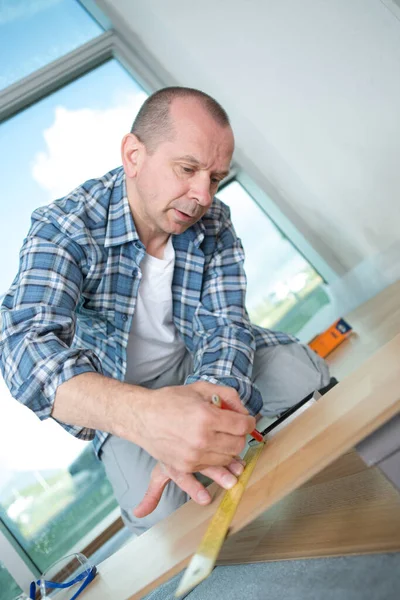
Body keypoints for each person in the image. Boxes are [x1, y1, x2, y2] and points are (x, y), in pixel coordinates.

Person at [0, 87, 330, 535]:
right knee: (159, 516)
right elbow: (24, 348)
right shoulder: (65, 228)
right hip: (123, 394)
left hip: (198, 362)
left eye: (214, 178)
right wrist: (148, 418)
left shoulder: (214, 223)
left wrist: (211, 404)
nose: (203, 196)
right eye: (188, 169)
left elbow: (226, 329)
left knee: (307, 381)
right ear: (134, 155)